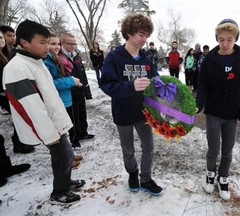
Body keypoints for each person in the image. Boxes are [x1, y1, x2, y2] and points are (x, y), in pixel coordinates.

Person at [2, 19, 85, 204]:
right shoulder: (16, 68)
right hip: (46, 125)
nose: (48, 47)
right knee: (63, 156)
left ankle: (66, 182)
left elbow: (49, 95)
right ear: (24, 42)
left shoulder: (36, 61)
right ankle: (59, 192)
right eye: (42, 42)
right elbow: (30, 107)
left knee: (65, 155)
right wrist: (48, 133)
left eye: (48, 42)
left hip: (54, 120)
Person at [100, 13, 163, 196]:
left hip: (144, 113)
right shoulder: (114, 57)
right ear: (129, 33)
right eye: (141, 34)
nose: (144, 39)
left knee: (149, 148)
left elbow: (155, 80)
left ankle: (146, 178)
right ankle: (133, 174)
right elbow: (106, 85)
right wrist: (131, 86)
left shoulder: (146, 59)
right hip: (123, 113)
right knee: (128, 150)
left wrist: (162, 87)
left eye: (146, 35)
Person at [196, 19, 240, 200]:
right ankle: (210, 175)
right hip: (213, 112)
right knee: (214, 149)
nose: (225, 43)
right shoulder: (209, 60)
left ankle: (223, 178)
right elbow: (202, 85)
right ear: (217, 39)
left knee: (228, 150)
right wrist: (199, 103)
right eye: (221, 39)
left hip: (232, 113)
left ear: (236, 38)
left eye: (230, 39)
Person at [43, 33, 83, 167]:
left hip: (66, 98)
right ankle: (63, 160)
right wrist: (71, 81)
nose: (56, 47)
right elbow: (50, 83)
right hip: (58, 99)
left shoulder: (57, 58)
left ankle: (68, 155)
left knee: (64, 131)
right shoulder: (46, 61)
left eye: (58, 44)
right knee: (58, 132)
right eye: (52, 44)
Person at [0, 30, 35, 154]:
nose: (2, 40)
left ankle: (20, 141)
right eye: (7, 36)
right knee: (19, 113)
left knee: (19, 114)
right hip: (5, 93)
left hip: (10, 91)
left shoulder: (6, 53)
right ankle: (19, 143)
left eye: (2, 37)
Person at [60, 33, 94, 148]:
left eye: (75, 43)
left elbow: (83, 74)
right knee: (73, 115)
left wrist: (87, 91)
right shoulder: (60, 57)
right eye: (71, 44)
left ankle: (83, 133)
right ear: (63, 44)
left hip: (80, 89)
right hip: (69, 91)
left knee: (82, 113)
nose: (74, 46)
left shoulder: (76, 56)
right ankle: (74, 138)